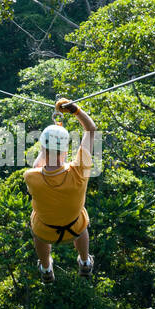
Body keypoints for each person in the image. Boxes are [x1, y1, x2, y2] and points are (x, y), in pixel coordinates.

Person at [23, 98, 96, 283]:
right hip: (75, 228)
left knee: (36, 223)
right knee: (82, 218)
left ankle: (46, 267)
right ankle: (85, 261)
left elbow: (38, 164)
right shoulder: (79, 170)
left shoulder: (31, 177)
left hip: (46, 232)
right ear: (65, 151)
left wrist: (49, 139)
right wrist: (76, 110)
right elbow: (91, 129)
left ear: (42, 149)